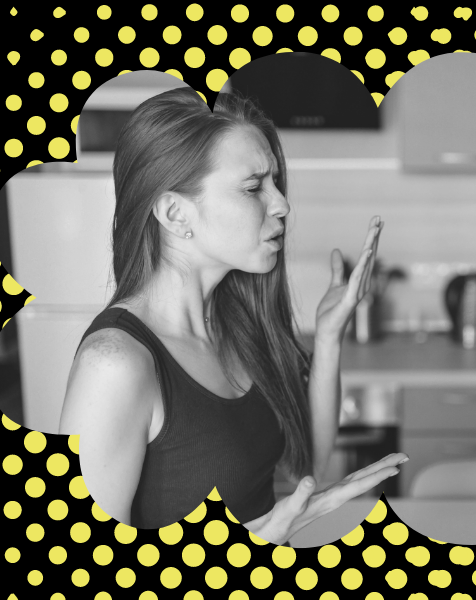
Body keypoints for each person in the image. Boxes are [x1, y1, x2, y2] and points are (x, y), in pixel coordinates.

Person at [59, 87, 407, 545]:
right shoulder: (114, 364)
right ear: (174, 213)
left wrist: (328, 337)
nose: (282, 204)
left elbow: (310, 464)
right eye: (253, 187)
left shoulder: (236, 325)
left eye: (276, 183)